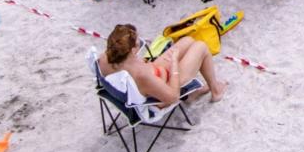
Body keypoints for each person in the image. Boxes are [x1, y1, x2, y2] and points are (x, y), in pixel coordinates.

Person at [97, 23, 227, 106]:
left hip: (154, 74)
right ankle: (215, 91)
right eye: (138, 43)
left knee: (188, 40)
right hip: (166, 85)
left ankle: (195, 92)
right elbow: (173, 97)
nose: (140, 43)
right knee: (201, 47)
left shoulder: (104, 58)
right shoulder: (142, 75)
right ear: (131, 50)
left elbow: (133, 69)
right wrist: (175, 63)